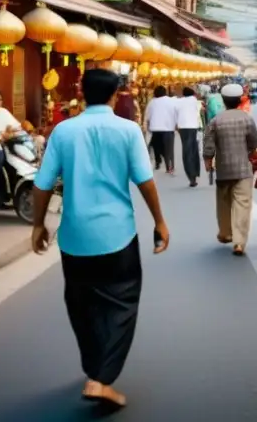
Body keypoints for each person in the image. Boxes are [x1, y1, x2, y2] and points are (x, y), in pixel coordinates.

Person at [31, 68, 169, 410]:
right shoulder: (127, 130)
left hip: (75, 236)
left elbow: (43, 183)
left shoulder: (63, 131)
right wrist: (160, 221)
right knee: (121, 304)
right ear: (114, 96)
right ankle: (101, 378)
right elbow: (144, 180)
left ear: (81, 92)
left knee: (82, 305)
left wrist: (38, 225)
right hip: (117, 234)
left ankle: (94, 369)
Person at [202, 83, 257, 256]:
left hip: (223, 169)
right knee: (242, 204)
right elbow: (255, 141)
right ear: (239, 100)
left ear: (224, 101)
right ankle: (239, 242)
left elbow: (208, 143)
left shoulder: (216, 120)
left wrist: (208, 160)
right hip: (243, 168)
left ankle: (226, 233)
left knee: (224, 202)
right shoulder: (246, 118)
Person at [143, 86, 177, 175]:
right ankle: (170, 166)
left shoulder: (152, 102)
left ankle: (160, 162)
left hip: (155, 129)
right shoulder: (171, 101)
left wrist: (145, 125)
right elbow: (176, 113)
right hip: (169, 128)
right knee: (169, 149)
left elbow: (147, 115)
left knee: (157, 147)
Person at [176, 88, 204, 187]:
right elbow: (201, 108)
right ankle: (194, 175)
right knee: (194, 150)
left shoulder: (178, 101)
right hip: (193, 128)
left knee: (186, 152)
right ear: (193, 94)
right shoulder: (195, 101)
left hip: (183, 128)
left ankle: (191, 176)